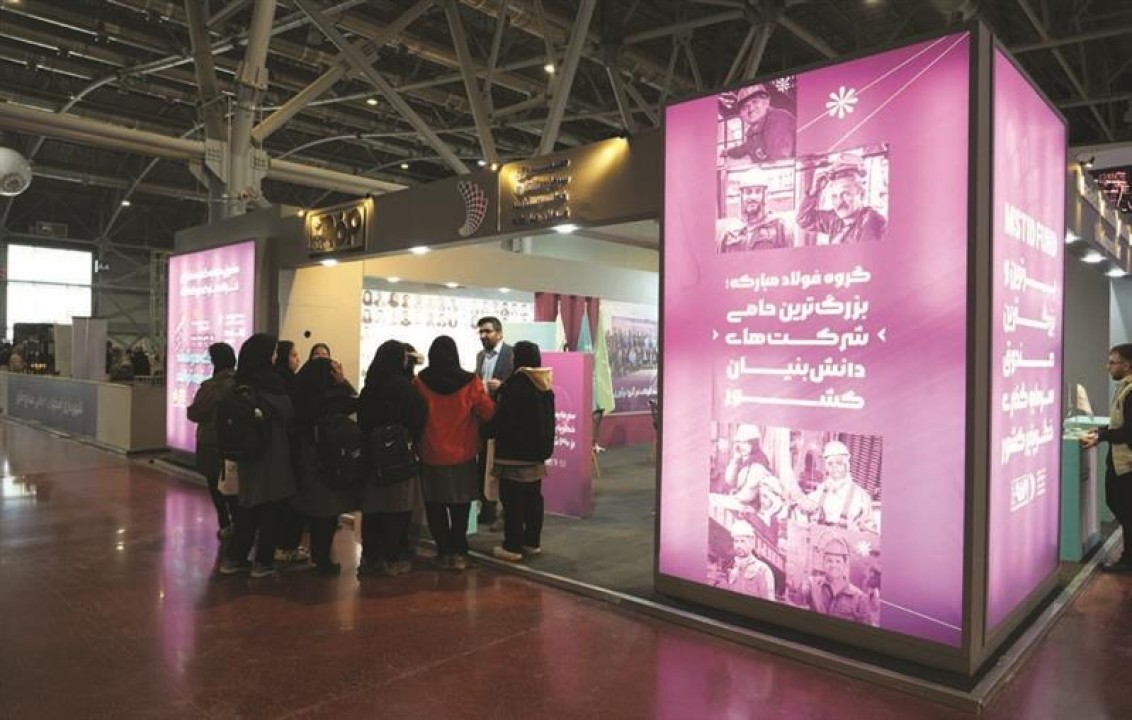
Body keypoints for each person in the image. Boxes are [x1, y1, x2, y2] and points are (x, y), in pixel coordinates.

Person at [220, 334, 298, 579]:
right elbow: (287, 413)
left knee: (248, 507)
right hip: (273, 454)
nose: (276, 357)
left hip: (248, 455)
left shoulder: (240, 383)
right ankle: (263, 562)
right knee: (273, 509)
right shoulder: (271, 383)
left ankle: (234, 558)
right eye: (273, 352)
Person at [414, 335, 496, 570]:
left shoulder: (419, 382)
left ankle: (443, 552)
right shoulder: (470, 382)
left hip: (430, 453)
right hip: (463, 454)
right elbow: (488, 412)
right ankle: (459, 553)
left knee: (435, 505)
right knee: (460, 505)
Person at [356, 340, 428, 577]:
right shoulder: (406, 388)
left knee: (373, 509)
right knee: (398, 508)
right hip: (399, 457)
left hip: (372, 457)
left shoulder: (369, 387)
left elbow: (363, 420)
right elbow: (418, 419)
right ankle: (392, 557)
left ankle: (369, 557)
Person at [290, 356, 359, 575]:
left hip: (306, 458)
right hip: (332, 459)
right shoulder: (334, 398)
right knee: (328, 513)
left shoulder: (298, 397)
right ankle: (321, 559)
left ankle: (313, 555)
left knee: (314, 509)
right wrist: (343, 381)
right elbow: (356, 401)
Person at [490, 341, 555, 563]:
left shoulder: (516, 385)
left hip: (513, 455)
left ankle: (512, 546)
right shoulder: (544, 384)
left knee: (513, 502)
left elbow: (504, 420)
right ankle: (532, 542)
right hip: (536, 455)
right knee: (533, 500)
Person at [1082, 343, 1132, 572]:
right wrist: (1103, 432)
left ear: (1127, 365)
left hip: (1127, 463)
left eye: (1113, 362)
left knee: (1123, 507)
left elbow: (1128, 432)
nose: (1108, 367)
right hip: (1121, 461)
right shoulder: (1125, 389)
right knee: (1119, 505)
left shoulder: (1130, 392)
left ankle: (1128, 561)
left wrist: (1102, 436)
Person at [186, 342, 238, 540]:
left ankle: (226, 524)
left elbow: (195, 413)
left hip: (211, 442)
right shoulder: (241, 383)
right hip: (235, 442)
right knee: (234, 487)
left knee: (216, 486)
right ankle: (239, 524)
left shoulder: (211, 387)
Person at [474, 316, 514, 526]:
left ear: (499, 333)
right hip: (483, 418)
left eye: (487, 331)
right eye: (481, 332)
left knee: (503, 467)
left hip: (504, 418)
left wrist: (503, 386)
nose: (483, 335)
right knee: (483, 465)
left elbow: (519, 384)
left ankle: (506, 515)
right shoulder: (480, 356)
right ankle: (487, 509)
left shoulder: (511, 354)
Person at [789, 535, 879, 626]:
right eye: (829, 561)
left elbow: (865, 629)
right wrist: (794, 586)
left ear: (845, 564)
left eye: (838, 561)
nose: (833, 565)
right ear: (823, 562)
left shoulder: (859, 598)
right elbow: (797, 601)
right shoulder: (813, 585)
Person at [797, 156, 887, 245]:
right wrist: (814, 192)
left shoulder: (873, 223)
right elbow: (803, 220)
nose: (839, 202)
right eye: (834, 196)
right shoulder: (835, 219)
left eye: (845, 194)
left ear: (862, 194)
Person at [801, 441, 875, 531]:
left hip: (847, 539)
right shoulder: (820, 490)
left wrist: (864, 528)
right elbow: (803, 506)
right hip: (820, 538)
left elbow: (870, 532)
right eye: (830, 463)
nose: (834, 467)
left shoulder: (861, 496)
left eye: (839, 463)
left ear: (847, 465)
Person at [721, 83, 795, 164]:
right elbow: (744, 149)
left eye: (755, 102)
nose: (751, 109)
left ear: (766, 102)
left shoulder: (778, 118)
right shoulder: (753, 131)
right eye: (745, 107)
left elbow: (780, 160)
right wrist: (728, 152)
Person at [719, 180, 790, 253]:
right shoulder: (730, 233)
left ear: (764, 196)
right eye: (748, 192)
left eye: (758, 192)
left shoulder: (778, 227)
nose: (753, 197)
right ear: (741, 196)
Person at [726, 520, 776, 601]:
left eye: (742, 541)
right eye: (736, 541)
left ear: (751, 543)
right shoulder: (733, 570)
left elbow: (769, 603)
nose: (739, 545)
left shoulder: (762, 570)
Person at [724, 425, 772, 494]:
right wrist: (736, 459)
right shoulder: (744, 460)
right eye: (739, 442)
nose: (741, 446)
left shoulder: (759, 463)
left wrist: (735, 495)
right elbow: (730, 481)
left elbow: (748, 495)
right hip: (744, 498)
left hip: (752, 500)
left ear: (754, 444)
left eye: (745, 443)